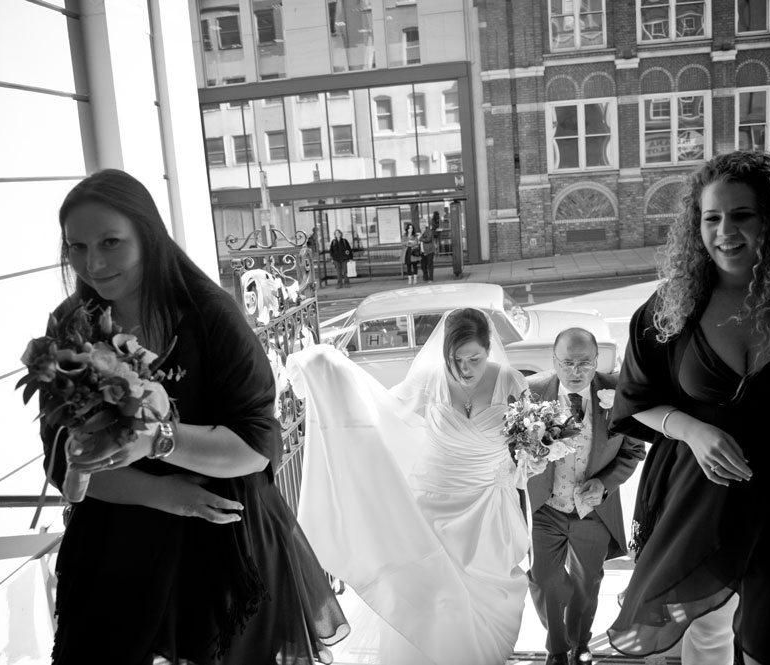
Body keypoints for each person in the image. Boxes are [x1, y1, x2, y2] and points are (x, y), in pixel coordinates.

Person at [40, 169, 348, 665]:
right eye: (76, 247)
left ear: (148, 234)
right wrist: (165, 494)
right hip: (117, 553)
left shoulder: (209, 316)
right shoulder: (71, 326)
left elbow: (256, 445)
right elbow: (62, 460)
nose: (92, 263)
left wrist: (158, 441)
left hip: (221, 549)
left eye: (110, 242)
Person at [607, 151, 770, 664]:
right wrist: (693, 431)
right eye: (711, 218)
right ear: (695, 225)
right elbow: (636, 399)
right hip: (700, 507)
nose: (725, 231)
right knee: (700, 643)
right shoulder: (669, 307)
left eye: (742, 214)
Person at [286, 308, 531, 665]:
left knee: (488, 604)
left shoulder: (511, 383)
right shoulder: (430, 380)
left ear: (489, 349)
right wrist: (329, 372)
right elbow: (380, 410)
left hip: (488, 513)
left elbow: (525, 446)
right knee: (436, 602)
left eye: (474, 359)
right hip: (433, 510)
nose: (465, 369)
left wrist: (534, 458)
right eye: (456, 360)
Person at [526, 328, 646, 665]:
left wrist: (604, 484)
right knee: (544, 580)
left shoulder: (617, 393)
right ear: (554, 360)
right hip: (544, 507)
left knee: (588, 582)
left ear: (597, 362)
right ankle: (557, 647)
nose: (576, 371)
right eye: (567, 363)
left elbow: (634, 451)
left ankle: (578, 644)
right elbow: (513, 449)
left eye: (585, 363)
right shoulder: (532, 392)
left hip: (593, 510)